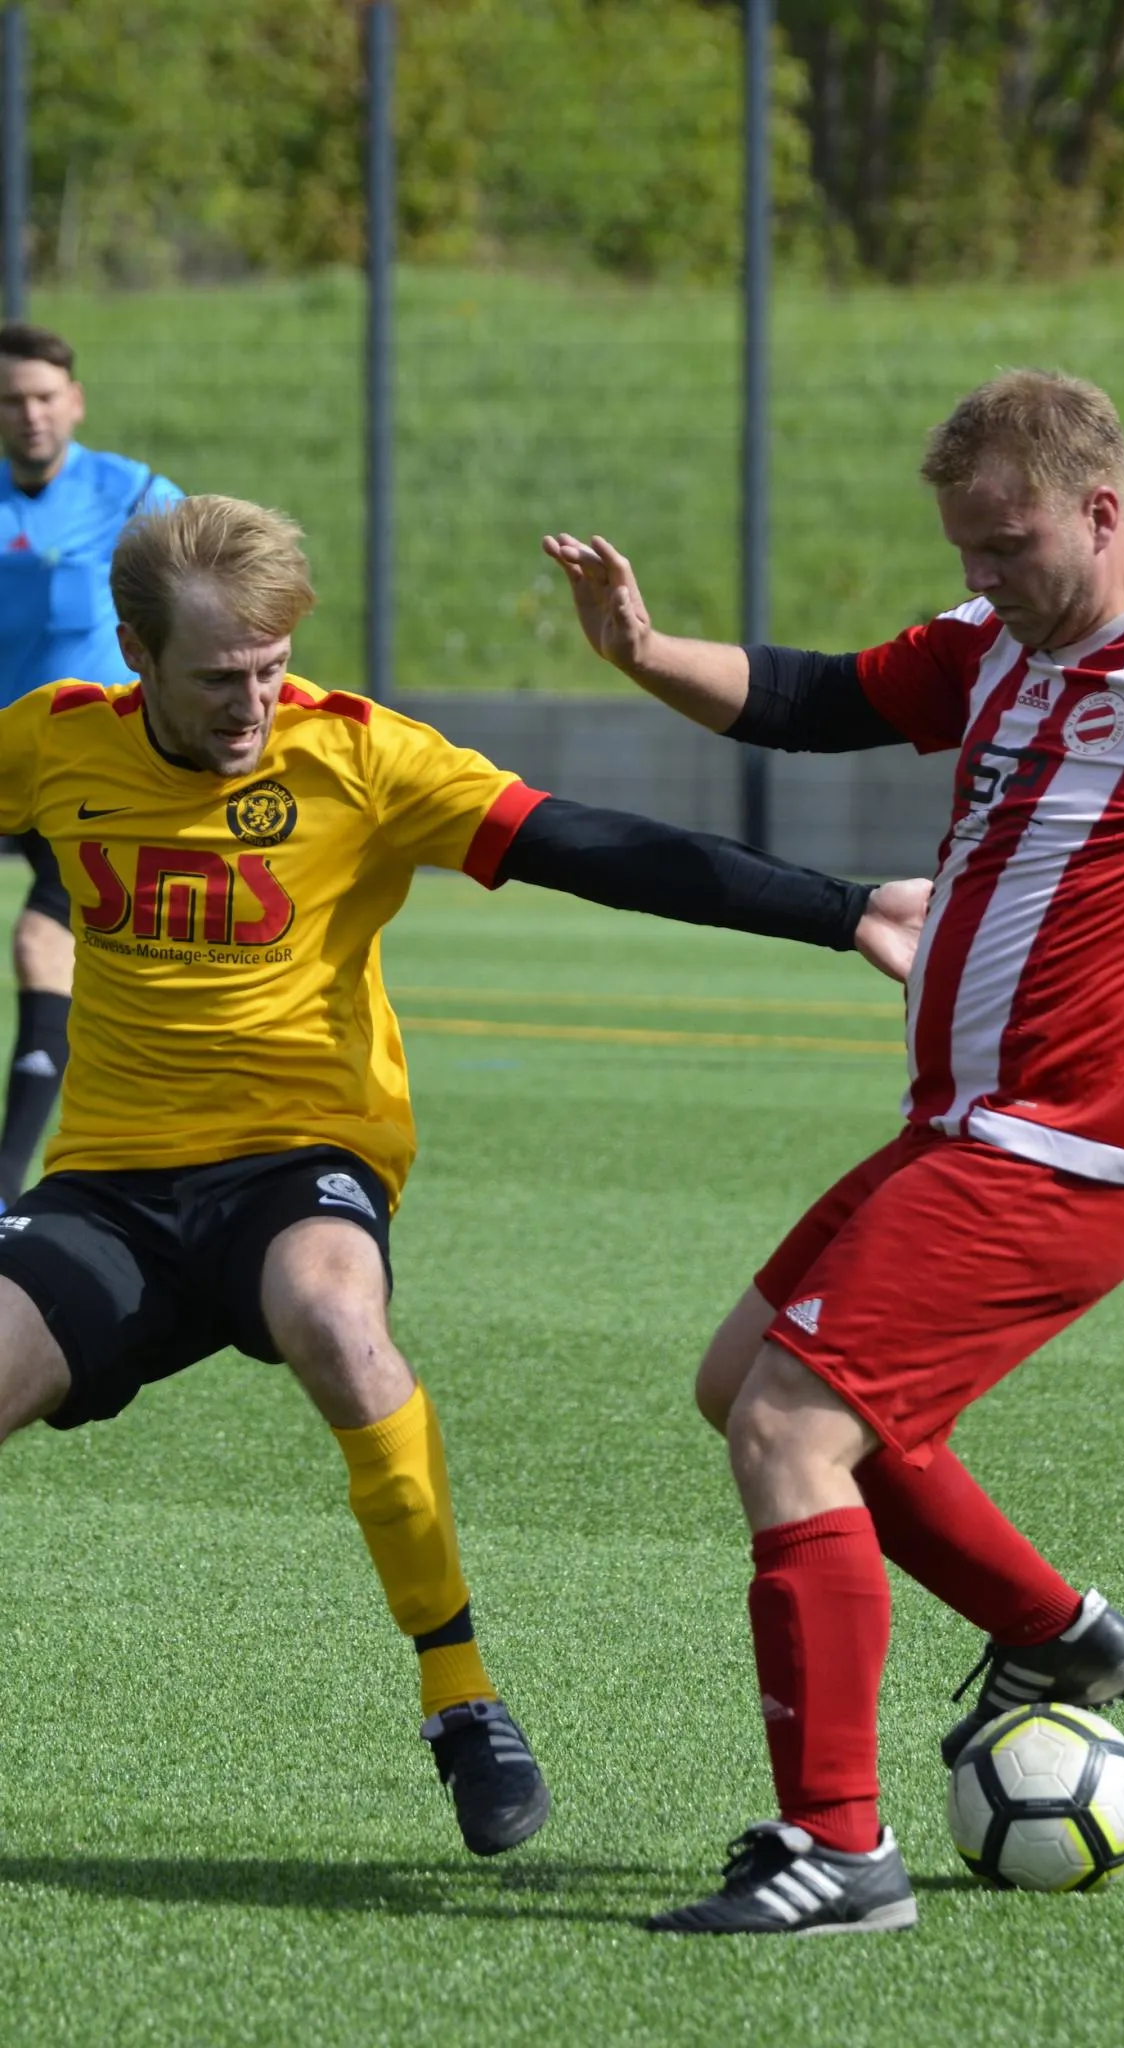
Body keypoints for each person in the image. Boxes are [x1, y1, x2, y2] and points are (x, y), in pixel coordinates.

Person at [545, 369, 1124, 1935]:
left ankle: (839, 1850)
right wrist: (642, 650)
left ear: (1101, 512)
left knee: (789, 1428)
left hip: (1065, 1154)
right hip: (965, 1131)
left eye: (1007, 544)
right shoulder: (997, 640)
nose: (981, 575)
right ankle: (1058, 1633)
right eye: (966, 548)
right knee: (740, 1380)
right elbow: (815, 700)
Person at [0, 493, 924, 1862]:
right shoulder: (50, 741)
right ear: (137, 653)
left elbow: (590, 845)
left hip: (301, 1157)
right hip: (111, 1186)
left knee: (334, 1315)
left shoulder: (359, 756)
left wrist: (839, 910)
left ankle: (461, 1694)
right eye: (218, 678)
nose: (254, 703)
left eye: (271, 667)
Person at [0, 321, 183, 1209]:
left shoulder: (135, 495)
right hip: (6, 760)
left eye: (44, 396)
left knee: (44, 944)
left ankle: (6, 1188)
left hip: (86, 769)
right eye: (12, 400)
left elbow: (210, 586)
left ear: (74, 402)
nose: (30, 414)